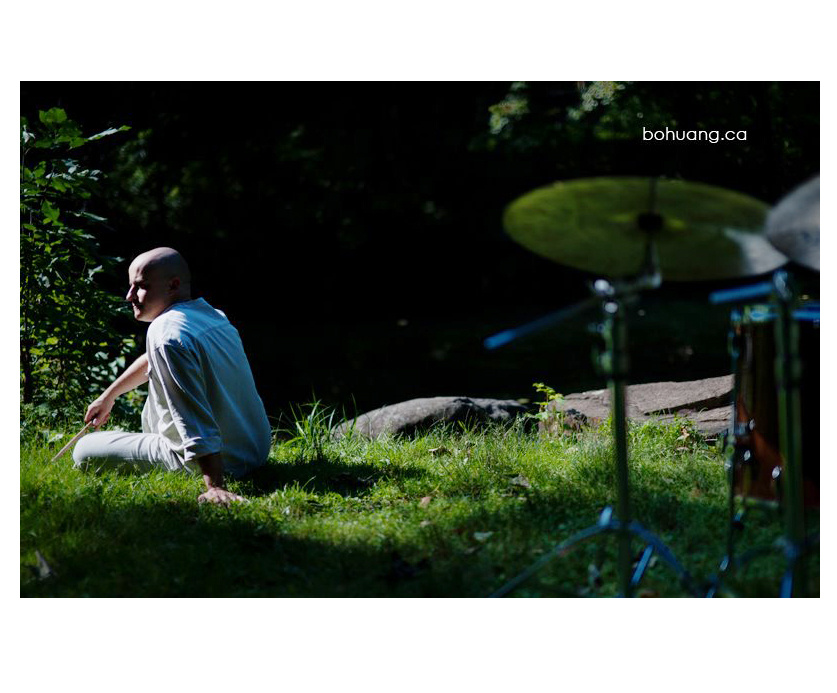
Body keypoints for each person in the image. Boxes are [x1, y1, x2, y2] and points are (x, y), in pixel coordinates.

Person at [73, 247, 271, 505]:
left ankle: (210, 475)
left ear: (173, 285)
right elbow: (153, 358)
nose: (129, 296)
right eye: (131, 286)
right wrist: (108, 396)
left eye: (141, 286)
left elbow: (194, 416)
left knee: (84, 450)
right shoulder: (209, 316)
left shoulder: (165, 334)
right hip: (254, 451)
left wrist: (215, 486)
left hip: (222, 462)